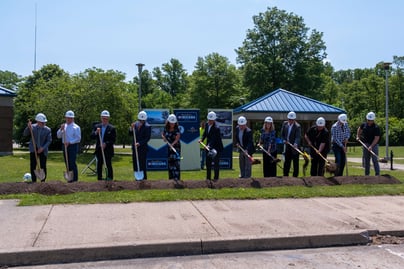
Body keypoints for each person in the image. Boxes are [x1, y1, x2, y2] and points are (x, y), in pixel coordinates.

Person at [23, 113, 52, 182]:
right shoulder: (32, 127)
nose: (43, 124)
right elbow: (25, 134)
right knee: (33, 165)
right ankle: (34, 181)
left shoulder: (47, 130)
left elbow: (49, 140)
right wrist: (28, 127)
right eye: (42, 122)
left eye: (44, 122)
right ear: (38, 122)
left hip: (43, 149)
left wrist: (42, 148)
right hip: (33, 148)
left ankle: (43, 180)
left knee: (43, 165)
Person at [90, 110, 116, 181]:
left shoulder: (112, 128)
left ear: (108, 119)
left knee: (108, 164)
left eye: (106, 118)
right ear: (101, 118)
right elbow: (92, 136)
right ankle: (99, 179)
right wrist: (96, 132)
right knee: (99, 164)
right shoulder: (97, 127)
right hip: (99, 149)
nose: (104, 120)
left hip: (108, 150)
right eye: (103, 118)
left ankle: (110, 178)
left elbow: (113, 140)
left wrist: (106, 144)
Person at [57, 110, 81, 182]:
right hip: (64, 146)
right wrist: (61, 129)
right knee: (67, 162)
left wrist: (70, 142)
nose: (68, 119)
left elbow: (78, 139)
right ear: (65, 118)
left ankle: (75, 179)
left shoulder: (76, 127)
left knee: (72, 162)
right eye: (67, 118)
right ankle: (69, 179)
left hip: (72, 146)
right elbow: (58, 136)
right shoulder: (64, 126)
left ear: (73, 118)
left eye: (70, 118)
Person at [199, 111, 223, 181]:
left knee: (216, 163)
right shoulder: (206, 125)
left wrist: (209, 146)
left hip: (216, 147)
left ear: (214, 120)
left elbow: (214, 139)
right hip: (209, 146)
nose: (210, 121)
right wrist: (201, 139)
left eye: (212, 120)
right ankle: (208, 178)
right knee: (208, 162)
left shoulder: (216, 128)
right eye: (209, 120)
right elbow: (205, 134)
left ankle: (216, 178)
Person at [356, 111, 381, 176]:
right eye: (368, 120)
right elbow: (359, 129)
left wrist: (371, 146)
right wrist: (358, 136)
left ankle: (377, 175)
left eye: (371, 120)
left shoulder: (376, 127)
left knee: (375, 160)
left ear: (373, 120)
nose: (369, 121)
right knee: (366, 160)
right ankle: (367, 175)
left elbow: (376, 138)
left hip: (374, 145)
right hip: (365, 144)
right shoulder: (363, 125)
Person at [129, 111, 151, 179]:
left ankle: (144, 178)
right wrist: (131, 128)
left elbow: (147, 138)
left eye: (143, 120)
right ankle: (137, 178)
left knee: (142, 163)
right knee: (135, 163)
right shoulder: (134, 125)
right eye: (140, 120)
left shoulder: (148, 126)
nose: (141, 121)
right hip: (135, 148)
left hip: (142, 148)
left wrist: (140, 143)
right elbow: (130, 134)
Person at [281, 111, 301, 177]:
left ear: (294, 119)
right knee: (287, 162)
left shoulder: (297, 126)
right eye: (289, 119)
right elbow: (282, 134)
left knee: (295, 163)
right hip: (287, 146)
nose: (290, 121)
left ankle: (295, 177)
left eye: (292, 120)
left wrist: (295, 144)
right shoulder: (284, 124)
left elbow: (298, 137)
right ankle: (285, 176)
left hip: (295, 147)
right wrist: (284, 140)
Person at [162, 114, 181, 181]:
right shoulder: (166, 128)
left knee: (176, 163)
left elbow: (177, 138)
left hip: (176, 148)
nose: (172, 124)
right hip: (169, 148)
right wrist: (163, 138)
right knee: (170, 163)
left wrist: (172, 144)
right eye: (171, 123)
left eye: (173, 123)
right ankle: (171, 179)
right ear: (168, 122)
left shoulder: (177, 129)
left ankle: (177, 179)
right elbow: (163, 134)